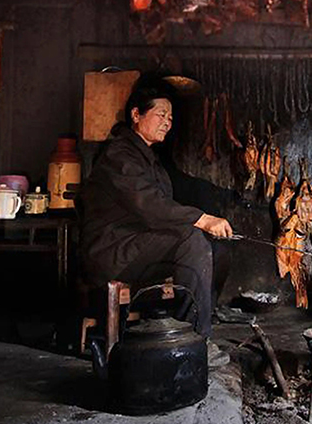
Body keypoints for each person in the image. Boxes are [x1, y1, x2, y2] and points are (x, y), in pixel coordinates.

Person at [80, 82, 234, 338]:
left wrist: (217, 203)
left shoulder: (149, 158)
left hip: (139, 247)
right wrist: (201, 218)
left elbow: (169, 199)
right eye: (161, 114)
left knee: (219, 246)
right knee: (191, 238)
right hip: (113, 251)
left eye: (170, 117)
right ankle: (194, 340)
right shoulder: (118, 155)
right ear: (136, 115)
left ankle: (191, 323)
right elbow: (149, 205)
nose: (167, 122)